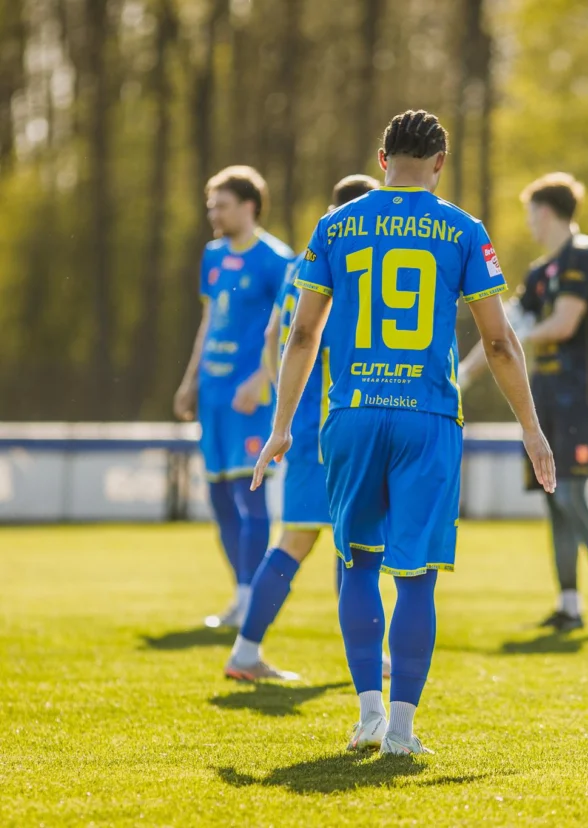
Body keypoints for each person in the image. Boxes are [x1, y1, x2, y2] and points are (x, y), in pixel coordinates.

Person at [251, 110, 555, 756]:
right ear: (440, 163)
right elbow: (499, 342)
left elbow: (302, 335)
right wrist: (531, 428)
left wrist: (281, 426)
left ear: (382, 157)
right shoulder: (463, 229)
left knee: (358, 562)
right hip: (428, 416)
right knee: (416, 575)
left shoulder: (336, 225)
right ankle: (402, 730)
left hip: (353, 412)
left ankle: (367, 715)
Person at [461, 173, 588, 634]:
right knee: (554, 498)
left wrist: (516, 337)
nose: (529, 223)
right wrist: (461, 376)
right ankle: (569, 605)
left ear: (544, 212)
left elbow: (562, 323)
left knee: (574, 496)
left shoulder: (584, 256)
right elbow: (501, 329)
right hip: (545, 400)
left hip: (580, 398)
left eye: (530, 213)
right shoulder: (539, 273)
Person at [224, 174, 381, 682]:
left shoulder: (301, 262)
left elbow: (275, 334)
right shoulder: (353, 258)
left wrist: (282, 401)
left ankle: (254, 651)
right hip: (334, 424)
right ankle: (247, 652)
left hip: (306, 421)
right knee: (319, 541)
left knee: (333, 538)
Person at [174, 166, 294, 629]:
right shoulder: (212, 256)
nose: (213, 214)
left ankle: (251, 598)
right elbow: (209, 322)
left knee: (251, 494)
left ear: (249, 206)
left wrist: (263, 378)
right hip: (213, 393)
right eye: (211, 206)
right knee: (220, 496)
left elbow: (291, 328)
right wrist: (190, 381)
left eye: (221, 205)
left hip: (251, 398)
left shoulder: (276, 259)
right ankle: (241, 592)